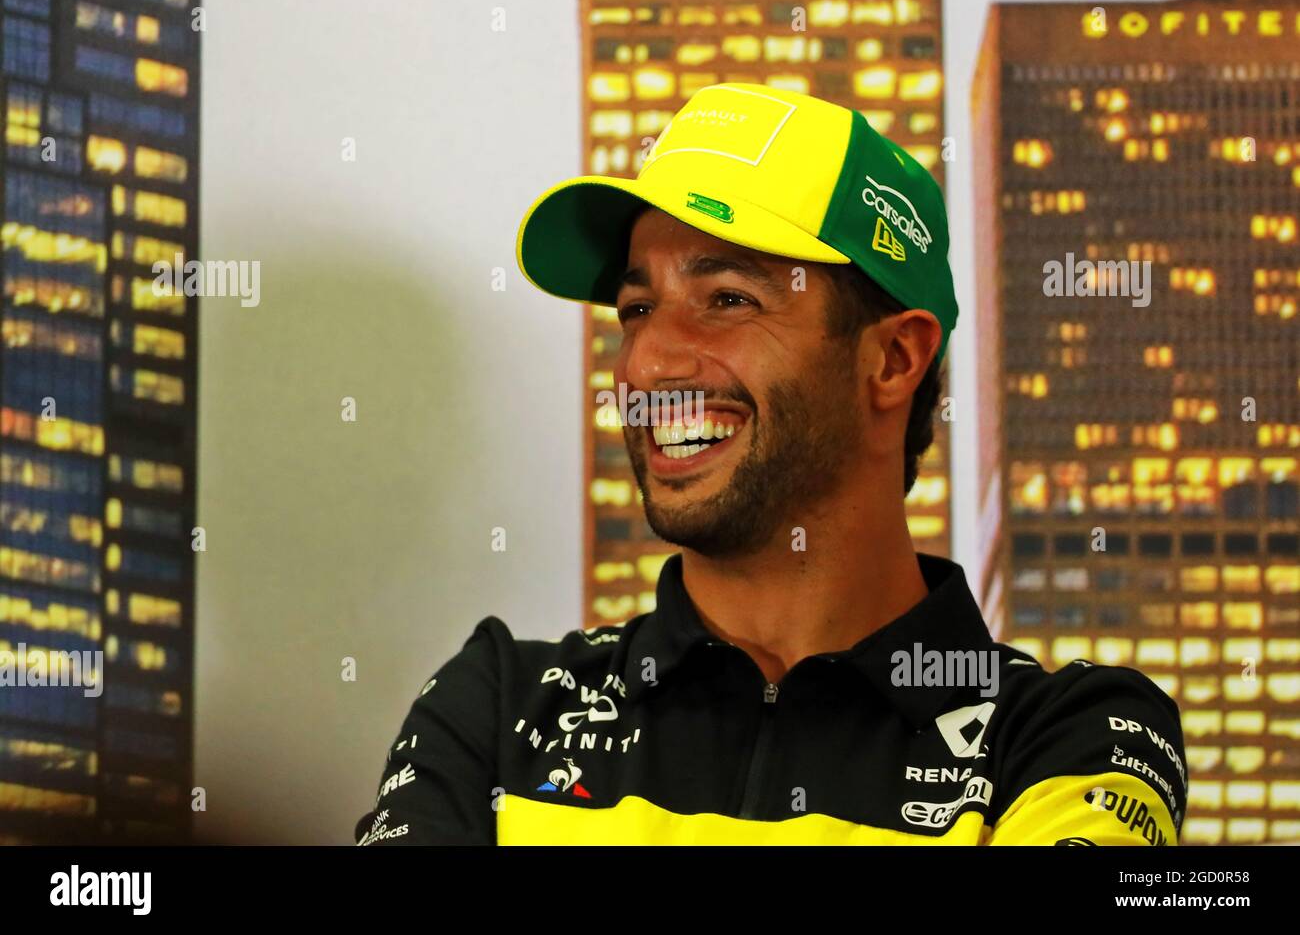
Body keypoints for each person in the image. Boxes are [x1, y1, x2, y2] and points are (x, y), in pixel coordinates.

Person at [355, 83, 1186, 845]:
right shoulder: (502, 706)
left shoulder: (1069, 737)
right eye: (636, 309)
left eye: (727, 300)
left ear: (894, 361)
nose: (647, 365)